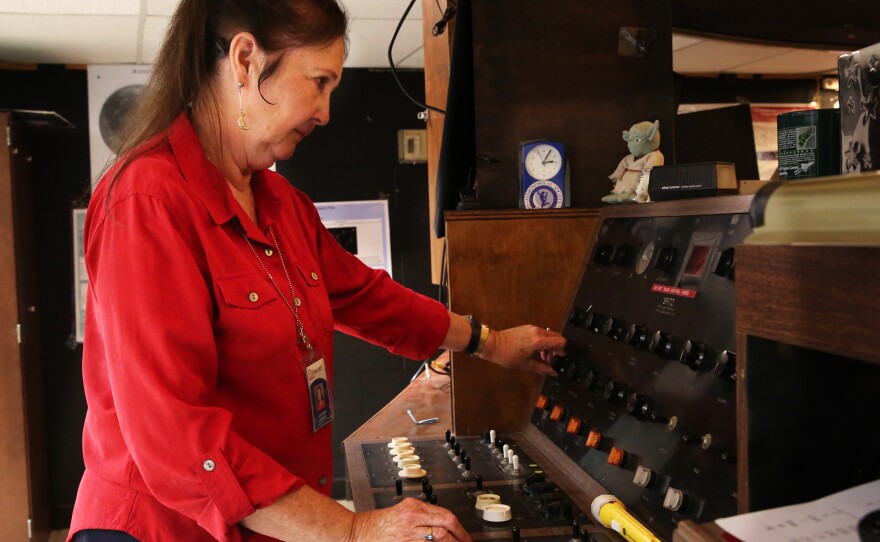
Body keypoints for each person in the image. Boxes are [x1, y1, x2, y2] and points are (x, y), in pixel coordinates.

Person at [68, 1, 566, 541]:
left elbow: (370, 299)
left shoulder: (281, 202)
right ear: (245, 61)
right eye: (319, 81)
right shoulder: (148, 200)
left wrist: (489, 343)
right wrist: (352, 531)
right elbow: (175, 437)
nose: (327, 111)